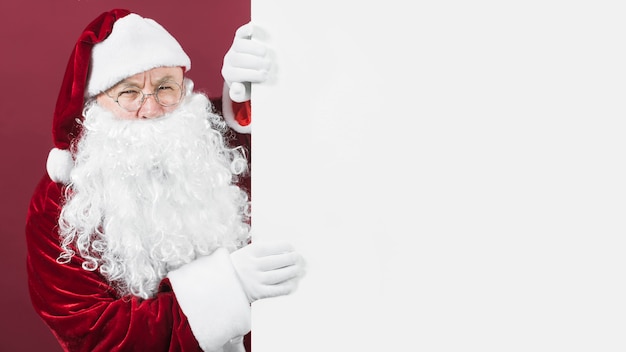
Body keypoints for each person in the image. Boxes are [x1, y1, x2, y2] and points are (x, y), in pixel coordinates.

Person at [25, 9, 304, 352]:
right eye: (129, 93)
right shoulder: (59, 205)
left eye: (165, 88)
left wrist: (251, 90)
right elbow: (94, 334)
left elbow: (285, 151)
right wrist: (230, 288)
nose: (152, 109)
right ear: (94, 104)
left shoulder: (207, 143)